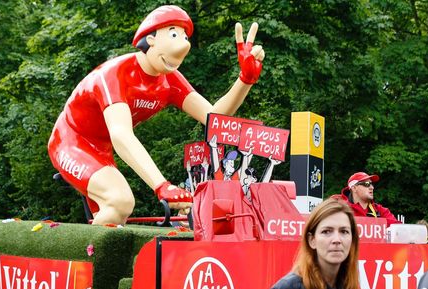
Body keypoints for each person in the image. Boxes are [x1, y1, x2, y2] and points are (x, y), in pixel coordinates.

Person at [48, 5, 265, 225]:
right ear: (150, 39)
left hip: (101, 150)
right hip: (70, 142)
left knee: (114, 216)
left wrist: (245, 80)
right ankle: (85, 255)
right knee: (120, 202)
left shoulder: (169, 80)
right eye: (173, 34)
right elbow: (121, 135)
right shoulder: (114, 74)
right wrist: (161, 185)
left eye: (184, 36)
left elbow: (213, 117)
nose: (183, 43)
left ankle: (99, 255)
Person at [335, 172, 401, 226]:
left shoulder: (380, 210)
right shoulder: (341, 209)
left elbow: (398, 229)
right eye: (367, 184)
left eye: (371, 184)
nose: (372, 187)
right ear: (354, 188)